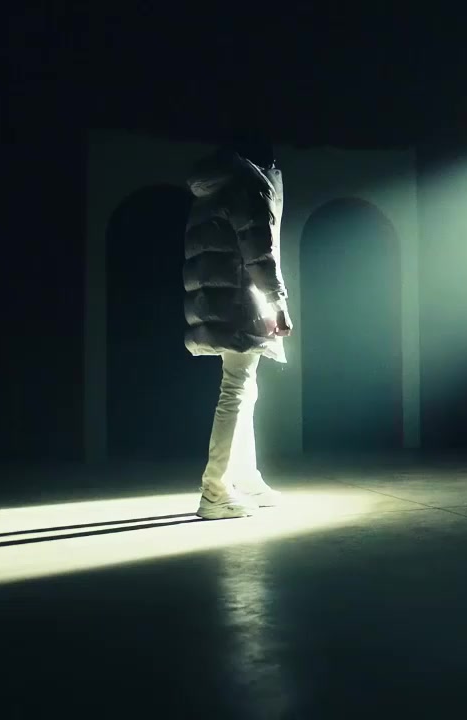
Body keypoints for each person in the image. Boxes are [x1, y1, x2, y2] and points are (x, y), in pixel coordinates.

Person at [183, 133, 293, 520]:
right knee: (237, 390)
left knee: (243, 388)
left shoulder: (213, 185)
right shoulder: (250, 184)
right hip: (241, 299)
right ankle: (215, 490)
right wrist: (278, 302)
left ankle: (245, 479)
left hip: (217, 297)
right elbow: (260, 250)